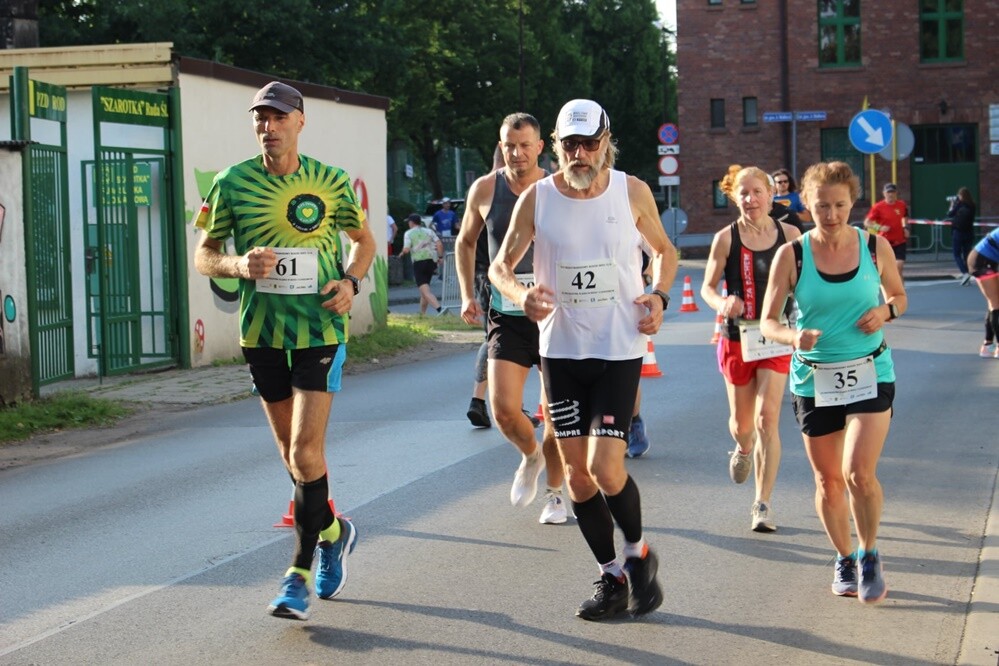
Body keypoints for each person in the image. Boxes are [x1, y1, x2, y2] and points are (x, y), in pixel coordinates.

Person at [193, 81, 376, 620]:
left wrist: (351, 283)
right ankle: (336, 532)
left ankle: (297, 576)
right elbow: (204, 254)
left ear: (300, 120)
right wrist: (236, 265)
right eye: (259, 118)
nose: (267, 126)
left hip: (319, 331)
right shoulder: (232, 182)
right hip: (262, 336)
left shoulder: (331, 180)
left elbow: (363, 242)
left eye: (277, 117)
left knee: (303, 453)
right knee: (293, 461)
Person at [490, 99, 678, 620]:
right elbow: (500, 265)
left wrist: (659, 296)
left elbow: (664, 251)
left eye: (588, 143)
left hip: (618, 347)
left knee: (604, 466)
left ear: (606, 142)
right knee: (575, 478)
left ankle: (638, 553)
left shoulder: (631, 190)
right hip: (561, 350)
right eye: (569, 144)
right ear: (556, 145)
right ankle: (611, 577)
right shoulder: (538, 198)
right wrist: (520, 294)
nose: (579, 153)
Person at [760, 161, 907, 605]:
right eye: (822, 206)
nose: (831, 214)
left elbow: (899, 297)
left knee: (858, 473)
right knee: (828, 482)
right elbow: (768, 321)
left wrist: (884, 312)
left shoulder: (875, 247)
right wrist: (792, 335)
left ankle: (869, 553)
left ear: (852, 202)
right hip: (814, 379)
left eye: (840, 205)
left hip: (871, 371)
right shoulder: (793, 255)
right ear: (806, 203)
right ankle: (844, 555)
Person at [455, 112, 565, 524]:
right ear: (500, 146)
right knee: (502, 409)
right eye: (508, 146)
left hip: (557, 314)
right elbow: (466, 242)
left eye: (524, 146)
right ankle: (530, 455)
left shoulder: (559, 188)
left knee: (556, 410)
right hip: (508, 312)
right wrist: (467, 293)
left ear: (540, 148)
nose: (516, 154)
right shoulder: (485, 188)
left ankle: (555, 494)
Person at [700, 164, 801, 532]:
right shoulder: (726, 238)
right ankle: (743, 449)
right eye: (744, 193)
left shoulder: (791, 235)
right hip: (737, 338)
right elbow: (707, 288)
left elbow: (805, 279)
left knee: (766, 419)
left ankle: (763, 503)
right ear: (734, 197)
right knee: (743, 426)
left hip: (775, 335)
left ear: (771, 195)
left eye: (758, 191)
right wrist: (721, 302)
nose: (751, 199)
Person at [400, 213, 444, 315]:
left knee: (425, 291)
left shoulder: (408, 233)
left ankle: (440, 310)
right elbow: (439, 244)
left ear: (411, 222)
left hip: (419, 263)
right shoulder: (429, 231)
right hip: (431, 262)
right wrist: (440, 257)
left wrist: (402, 253)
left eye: (409, 222)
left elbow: (406, 249)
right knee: (424, 289)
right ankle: (422, 314)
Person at [966, 226, 999, 359]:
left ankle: (987, 346)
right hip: (981, 260)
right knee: (995, 303)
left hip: (991, 259)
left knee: (994, 303)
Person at [864, 183, 909, 278]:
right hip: (884, 242)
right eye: (888, 192)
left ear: (896, 193)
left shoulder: (901, 205)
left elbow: (904, 217)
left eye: (892, 192)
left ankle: (901, 291)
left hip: (900, 241)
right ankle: (888, 289)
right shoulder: (878, 207)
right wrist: (879, 227)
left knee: (898, 267)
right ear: (884, 193)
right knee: (885, 270)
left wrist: (905, 227)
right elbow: (867, 222)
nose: (891, 194)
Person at [945, 187, 977, 285]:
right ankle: (967, 274)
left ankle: (965, 273)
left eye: (959, 195)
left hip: (958, 232)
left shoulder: (959, 205)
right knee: (966, 255)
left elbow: (950, 214)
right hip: (969, 232)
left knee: (956, 254)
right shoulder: (972, 205)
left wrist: (952, 205)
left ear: (962, 196)